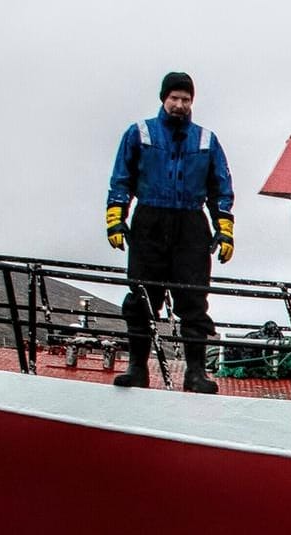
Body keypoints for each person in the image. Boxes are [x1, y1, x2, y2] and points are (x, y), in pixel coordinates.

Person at [105, 71, 235, 393]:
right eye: (174, 98)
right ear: (164, 99)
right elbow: (121, 178)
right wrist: (115, 219)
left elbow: (220, 187)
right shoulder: (139, 133)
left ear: (192, 102)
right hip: (150, 220)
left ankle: (196, 373)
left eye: (186, 99)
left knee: (193, 300)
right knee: (141, 298)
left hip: (191, 224)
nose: (179, 104)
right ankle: (137, 369)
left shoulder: (207, 140)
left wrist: (225, 228)